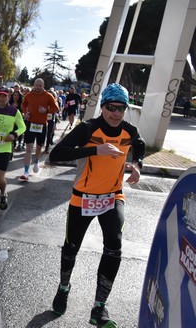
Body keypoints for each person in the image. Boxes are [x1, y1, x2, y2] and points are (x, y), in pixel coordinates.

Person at [49, 83, 145, 327]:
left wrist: (137, 166)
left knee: (114, 245)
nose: (116, 113)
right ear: (103, 107)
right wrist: (95, 150)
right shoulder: (89, 128)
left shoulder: (129, 129)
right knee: (71, 248)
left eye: (121, 108)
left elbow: (140, 144)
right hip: (83, 197)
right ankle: (63, 287)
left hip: (113, 196)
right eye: (111, 107)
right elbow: (57, 154)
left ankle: (99, 307)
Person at [19, 78, 59, 182]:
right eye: (36, 85)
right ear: (34, 85)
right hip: (31, 124)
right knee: (29, 148)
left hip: (42, 125)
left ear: (43, 86)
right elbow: (23, 104)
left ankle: (36, 161)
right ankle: (26, 172)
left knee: (38, 147)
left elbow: (56, 108)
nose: (37, 87)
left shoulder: (48, 96)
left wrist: (46, 110)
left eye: (39, 86)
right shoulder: (29, 95)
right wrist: (25, 113)